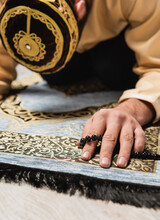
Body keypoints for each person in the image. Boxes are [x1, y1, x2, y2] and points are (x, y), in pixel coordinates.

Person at [0, 0, 159, 169]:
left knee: (111, 67)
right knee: (58, 76)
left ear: (79, 7)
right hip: (67, 64)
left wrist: (132, 108)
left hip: (120, 47)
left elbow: (156, 66)